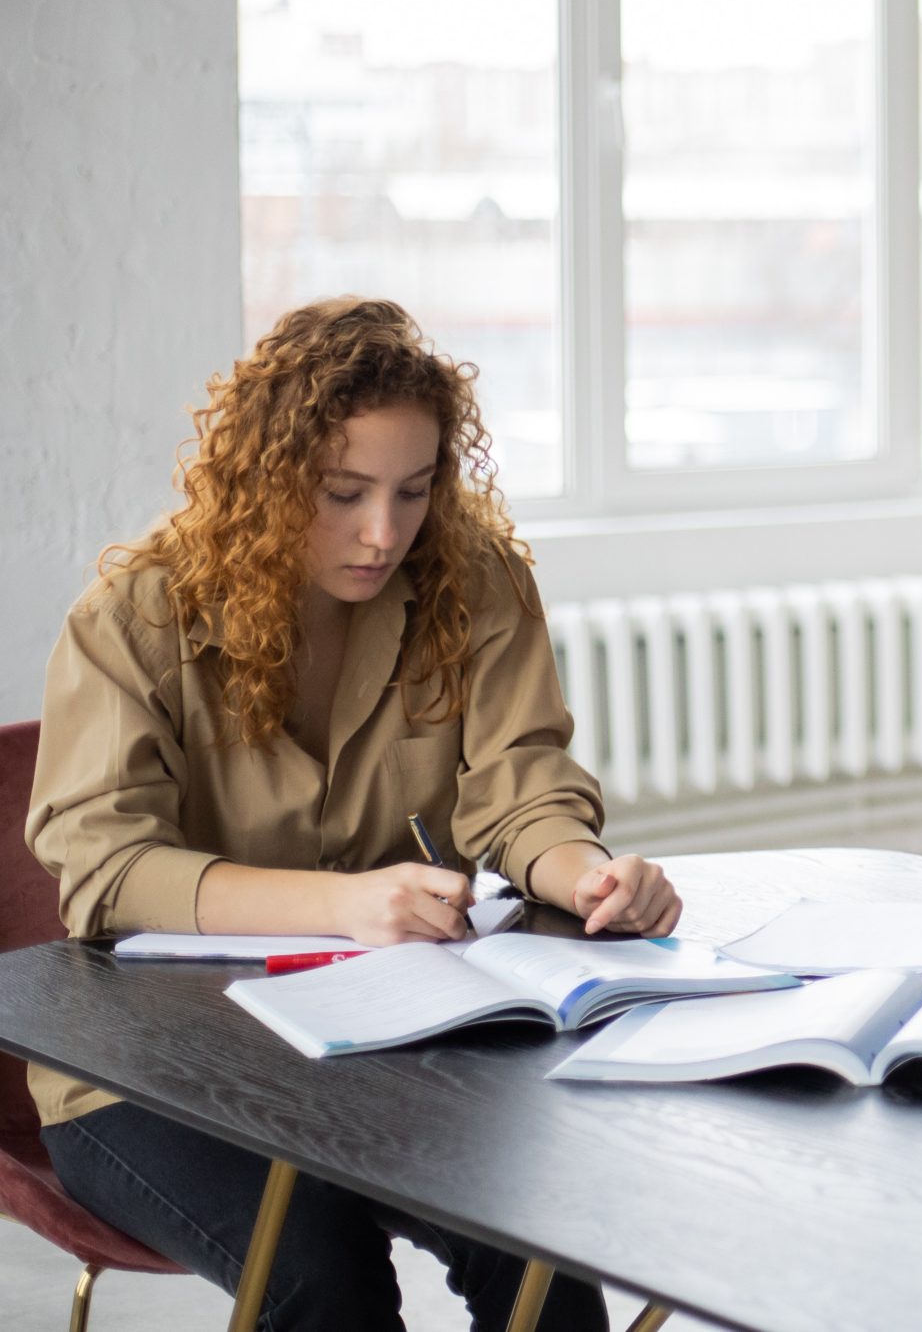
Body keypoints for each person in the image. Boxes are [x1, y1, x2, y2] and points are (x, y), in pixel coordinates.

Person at [28, 299, 681, 1331]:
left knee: (545, 1265)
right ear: (268, 476)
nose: (384, 533)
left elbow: (524, 785)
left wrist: (582, 873)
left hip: (382, 1045)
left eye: (414, 492)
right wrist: (343, 904)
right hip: (143, 1068)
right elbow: (107, 874)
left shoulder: (473, 582)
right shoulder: (136, 617)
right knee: (322, 1284)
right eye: (344, 494)